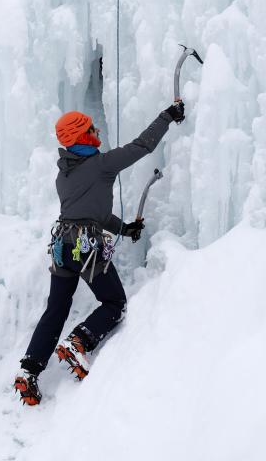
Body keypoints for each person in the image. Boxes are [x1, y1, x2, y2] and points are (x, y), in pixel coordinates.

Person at [14, 102, 184, 405]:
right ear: (82, 136)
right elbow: (142, 146)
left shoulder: (64, 175)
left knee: (56, 309)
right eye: (91, 129)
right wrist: (167, 116)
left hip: (62, 246)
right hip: (85, 245)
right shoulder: (102, 164)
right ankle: (79, 341)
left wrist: (125, 229)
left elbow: (95, 214)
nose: (97, 131)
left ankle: (29, 370)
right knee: (114, 302)